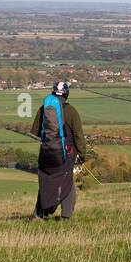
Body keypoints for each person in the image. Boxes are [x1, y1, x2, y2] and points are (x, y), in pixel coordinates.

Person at [29, 80, 88, 221]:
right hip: (65, 153)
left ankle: (39, 214)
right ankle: (65, 216)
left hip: (46, 153)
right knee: (66, 181)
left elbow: (36, 132)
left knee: (46, 182)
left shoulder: (44, 108)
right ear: (66, 94)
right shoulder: (71, 111)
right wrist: (82, 154)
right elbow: (78, 135)